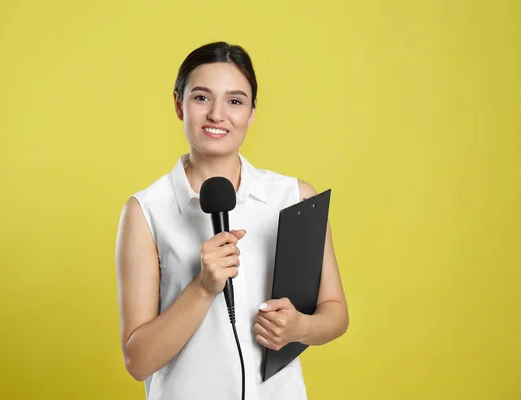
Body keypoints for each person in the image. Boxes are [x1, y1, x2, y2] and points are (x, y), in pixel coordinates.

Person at [115, 41, 349, 400]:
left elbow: (335, 314)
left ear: (252, 112)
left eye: (235, 101)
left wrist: (299, 327)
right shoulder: (146, 210)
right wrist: (203, 287)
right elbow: (138, 360)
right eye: (202, 98)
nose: (217, 115)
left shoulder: (294, 197)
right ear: (179, 104)